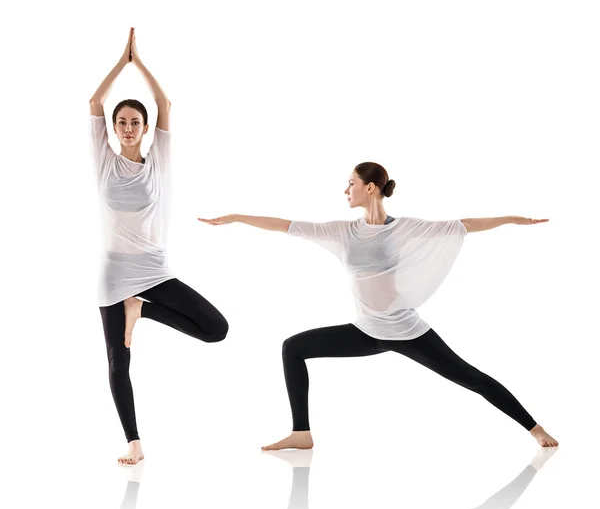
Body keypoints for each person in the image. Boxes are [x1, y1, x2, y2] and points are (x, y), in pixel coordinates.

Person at [198, 162, 558, 451]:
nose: (346, 190)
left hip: (407, 332)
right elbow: (286, 225)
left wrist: (512, 219)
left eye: (351, 183)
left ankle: (535, 428)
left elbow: (462, 225)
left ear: (370, 188)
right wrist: (236, 218)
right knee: (293, 347)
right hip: (366, 332)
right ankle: (301, 433)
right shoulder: (343, 232)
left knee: (471, 378)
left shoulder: (404, 228)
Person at [90, 28, 228, 465]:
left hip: (155, 270)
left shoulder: (158, 161)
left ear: (145, 128)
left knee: (216, 329)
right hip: (114, 273)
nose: (128, 128)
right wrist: (120, 63)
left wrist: (140, 63)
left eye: (135, 122)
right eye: (121, 122)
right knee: (118, 360)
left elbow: (166, 105)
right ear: (113, 129)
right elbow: (93, 104)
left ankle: (142, 309)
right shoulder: (103, 159)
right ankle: (133, 441)